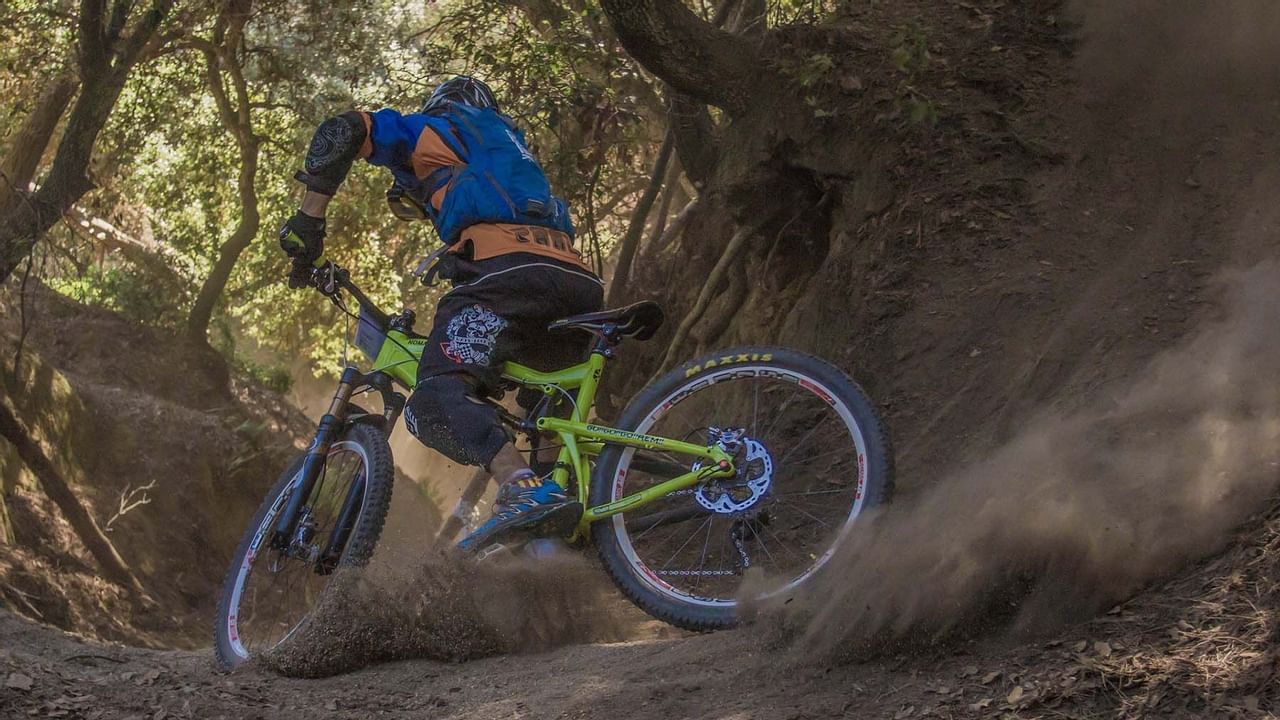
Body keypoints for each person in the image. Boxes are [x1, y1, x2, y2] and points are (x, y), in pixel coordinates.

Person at [278, 76, 603, 551]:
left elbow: (344, 130)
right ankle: (565, 533)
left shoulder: (441, 127)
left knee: (435, 397)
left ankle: (519, 485)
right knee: (546, 417)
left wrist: (308, 222)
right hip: (577, 283)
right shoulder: (513, 153)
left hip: (507, 276)